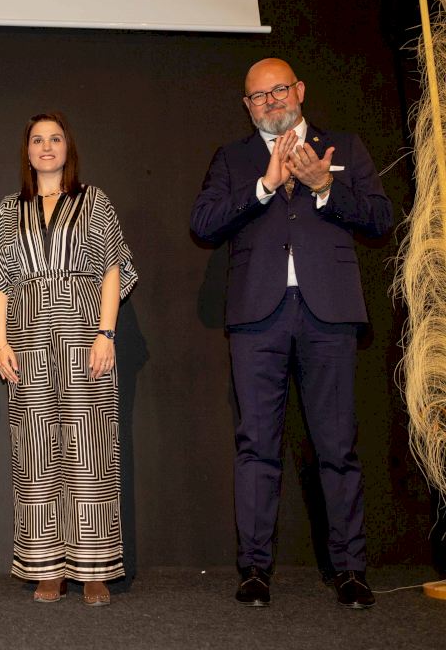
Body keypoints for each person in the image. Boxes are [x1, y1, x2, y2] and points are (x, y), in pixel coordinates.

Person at [190, 58, 392, 609]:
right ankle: (255, 570)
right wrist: (264, 186)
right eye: (258, 96)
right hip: (258, 317)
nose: (271, 101)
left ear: (299, 90)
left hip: (330, 315)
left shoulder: (344, 148)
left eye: (279, 90)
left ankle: (349, 569)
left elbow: (380, 218)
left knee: (338, 446)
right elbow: (203, 223)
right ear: (247, 106)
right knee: (256, 446)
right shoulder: (233, 159)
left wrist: (325, 186)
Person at [0, 112, 138, 606]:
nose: (46, 147)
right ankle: (46, 567)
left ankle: (94, 568)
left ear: (67, 148)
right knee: (35, 449)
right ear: (26, 151)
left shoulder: (94, 200)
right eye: (37, 140)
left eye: (54, 139)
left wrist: (106, 334)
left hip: (84, 334)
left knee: (90, 446)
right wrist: (0, 342)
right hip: (28, 338)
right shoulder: (10, 209)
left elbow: (112, 269)